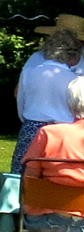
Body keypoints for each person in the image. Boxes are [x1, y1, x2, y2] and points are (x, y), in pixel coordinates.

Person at [19, 77, 84, 232]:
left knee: (40, 219)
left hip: (48, 222)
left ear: (72, 103)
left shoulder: (49, 134)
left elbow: (29, 180)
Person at [15, 30, 82, 172]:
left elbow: (21, 103)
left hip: (31, 128)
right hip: (62, 133)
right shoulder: (74, 80)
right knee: (56, 173)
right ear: (72, 54)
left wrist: (29, 121)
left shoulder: (29, 72)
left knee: (23, 175)